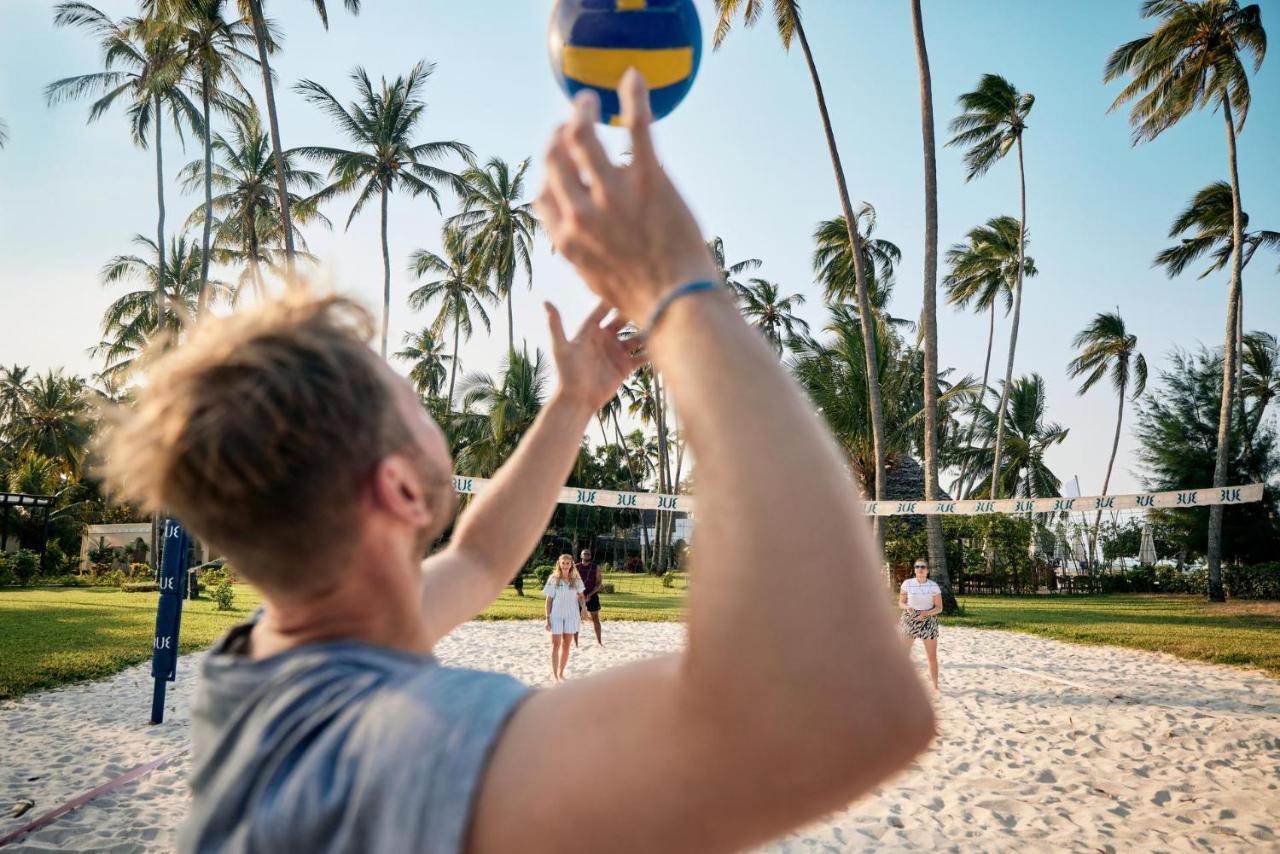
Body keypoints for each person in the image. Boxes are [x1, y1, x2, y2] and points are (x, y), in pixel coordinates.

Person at [103, 71, 932, 854]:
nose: (430, 408)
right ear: (394, 487)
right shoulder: (409, 747)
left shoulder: (265, 666)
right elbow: (846, 707)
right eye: (412, 402)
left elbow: (479, 556)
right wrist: (682, 289)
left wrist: (572, 405)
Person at [899, 558, 944, 691]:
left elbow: (939, 607)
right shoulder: (907, 583)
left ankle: (935, 687)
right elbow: (901, 602)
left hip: (928, 621)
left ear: (927, 570)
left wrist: (926, 613)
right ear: (914, 569)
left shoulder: (933, 586)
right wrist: (907, 607)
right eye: (917, 566)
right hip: (909, 619)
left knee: (931, 656)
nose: (920, 569)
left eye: (923, 567)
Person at [544, 554, 586, 680]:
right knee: (555, 645)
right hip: (556, 616)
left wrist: (584, 608)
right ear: (559, 564)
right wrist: (547, 618)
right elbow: (548, 601)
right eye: (563, 563)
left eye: (568, 563)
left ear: (571, 564)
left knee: (566, 645)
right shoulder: (553, 579)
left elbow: (581, 596)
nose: (565, 565)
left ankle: (561, 673)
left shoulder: (576, 579)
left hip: (571, 616)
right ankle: (555, 675)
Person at [576, 548, 604, 645]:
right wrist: (581, 595)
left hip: (592, 595)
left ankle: (599, 642)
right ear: (581, 556)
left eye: (588, 554)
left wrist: (590, 594)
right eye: (584, 554)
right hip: (579, 595)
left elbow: (599, 584)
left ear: (590, 556)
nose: (586, 555)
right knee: (576, 619)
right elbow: (572, 584)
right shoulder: (576, 567)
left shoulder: (596, 568)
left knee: (595, 618)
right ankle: (575, 643)